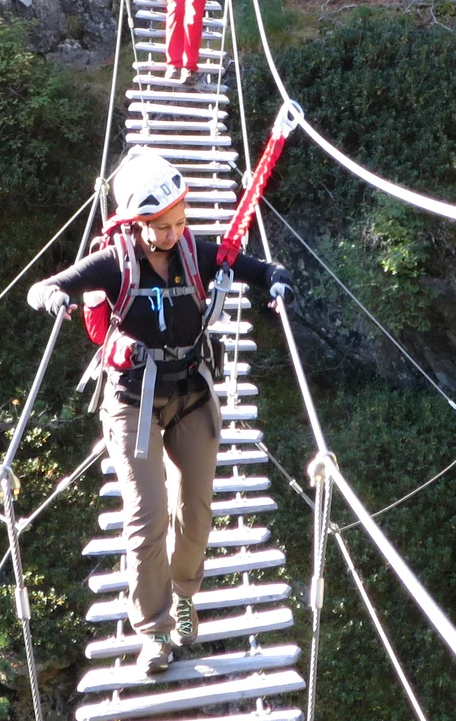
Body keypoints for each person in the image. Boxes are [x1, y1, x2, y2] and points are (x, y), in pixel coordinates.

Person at [27, 152, 292, 673]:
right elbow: (46, 284)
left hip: (192, 392)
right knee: (146, 514)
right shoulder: (115, 261)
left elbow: (256, 268)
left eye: (179, 221)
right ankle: (155, 630)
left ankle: (185, 595)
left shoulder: (194, 251)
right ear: (134, 223)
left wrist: (277, 283)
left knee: (196, 514)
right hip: (133, 400)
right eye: (161, 227)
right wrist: (53, 299)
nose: (173, 233)